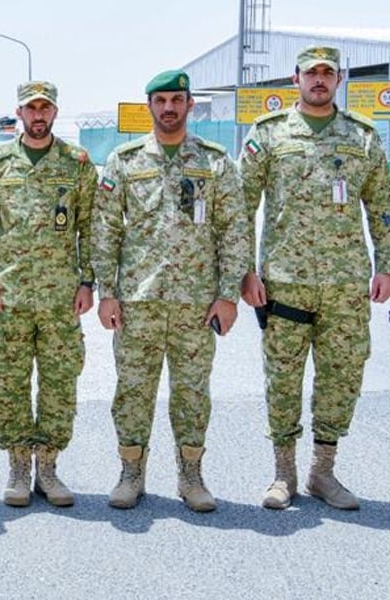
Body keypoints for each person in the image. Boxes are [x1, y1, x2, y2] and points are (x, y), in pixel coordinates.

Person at [240, 46, 390, 511]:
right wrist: (245, 271)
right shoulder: (269, 133)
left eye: (328, 72)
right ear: (296, 79)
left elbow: (382, 207)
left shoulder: (362, 137)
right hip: (284, 283)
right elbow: (240, 206)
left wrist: (385, 265)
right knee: (282, 379)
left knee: (341, 377)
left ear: (339, 78)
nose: (319, 80)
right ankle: (283, 473)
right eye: (311, 73)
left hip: (346, 284)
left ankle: (322, 472)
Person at [93, 70, 250, 512]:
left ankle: (191, 475)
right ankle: (131, 472)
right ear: (149, 106)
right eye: (160, 100)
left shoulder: (215, 162)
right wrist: (107, 292)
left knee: (193, 393)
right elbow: (106, 229)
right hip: (138, 301)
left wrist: (228, 295)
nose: (168, 108)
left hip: (196, 304)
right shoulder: (124, 162)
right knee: (132, 390)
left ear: (190, 105)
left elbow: (234, 230)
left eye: (177, 100)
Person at [0, 81, 96, 507]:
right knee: (9, 382)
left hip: (62, 297)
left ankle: (49, 468)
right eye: (31, 108)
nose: (38, 115)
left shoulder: (77, 163)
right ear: (19, 112)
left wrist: (88, 282)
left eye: (45, 108)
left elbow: (90, 228)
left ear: (55, 112)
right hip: (10, 296)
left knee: (60, 382)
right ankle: (19, 466)